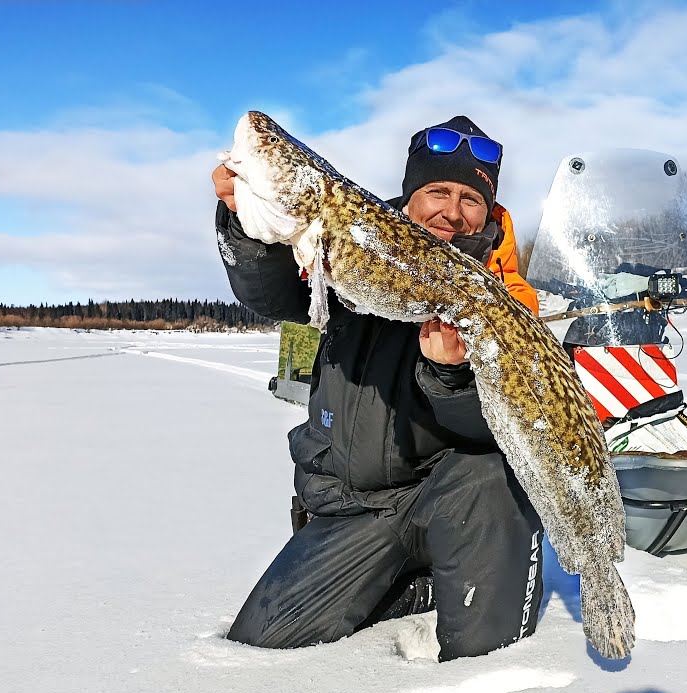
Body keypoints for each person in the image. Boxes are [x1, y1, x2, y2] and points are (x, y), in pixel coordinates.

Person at [211, 116, 544, 661]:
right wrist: (243, 223)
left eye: (471, 200)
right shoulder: (353, 244)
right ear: (411, 195)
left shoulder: (507, 296)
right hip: (355, 506)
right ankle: (422, 585)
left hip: (450, 497)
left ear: (489, 211)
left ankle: (488, 640)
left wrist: (452, 376)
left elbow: (513, 426)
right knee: (262, 638)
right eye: (437, 192)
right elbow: (273, 297)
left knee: (493, 472)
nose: (453, 212)